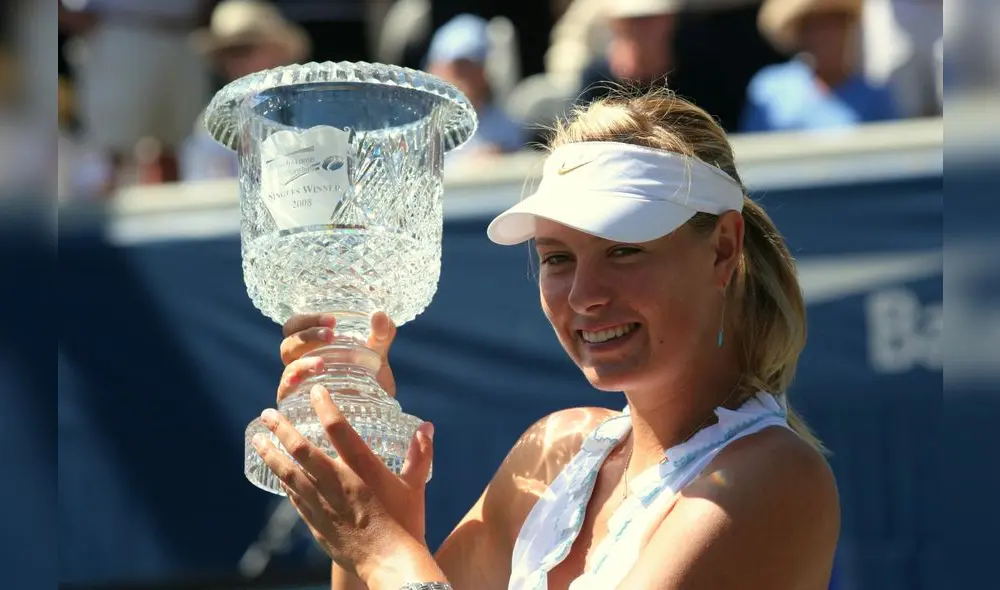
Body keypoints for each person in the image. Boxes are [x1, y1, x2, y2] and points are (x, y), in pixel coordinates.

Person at [250, 88, 841, 589]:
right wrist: (360, 494)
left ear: (723, 248)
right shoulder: (553, 449)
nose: (585, 294)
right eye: (558, 258)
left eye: (624, 251)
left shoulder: (773, 475)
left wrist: (384, 551)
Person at [179, 0, 311, 182]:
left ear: (277, 51)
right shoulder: (213, 121)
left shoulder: (312, 105)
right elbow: (204, 190)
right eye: (228, 53)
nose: (237, 62)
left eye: (246, 49)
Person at [740, 0, 900, 133]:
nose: (828, 34)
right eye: (817, 25)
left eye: (836, 22)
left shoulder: (876, 97)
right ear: (801, 32)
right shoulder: (769, 89)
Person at [424, 14, 526, 162]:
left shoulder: (508, 128)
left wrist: (501, 160)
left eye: (469, 66)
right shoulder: (416, 132)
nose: (461, 77)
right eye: (455, 67)